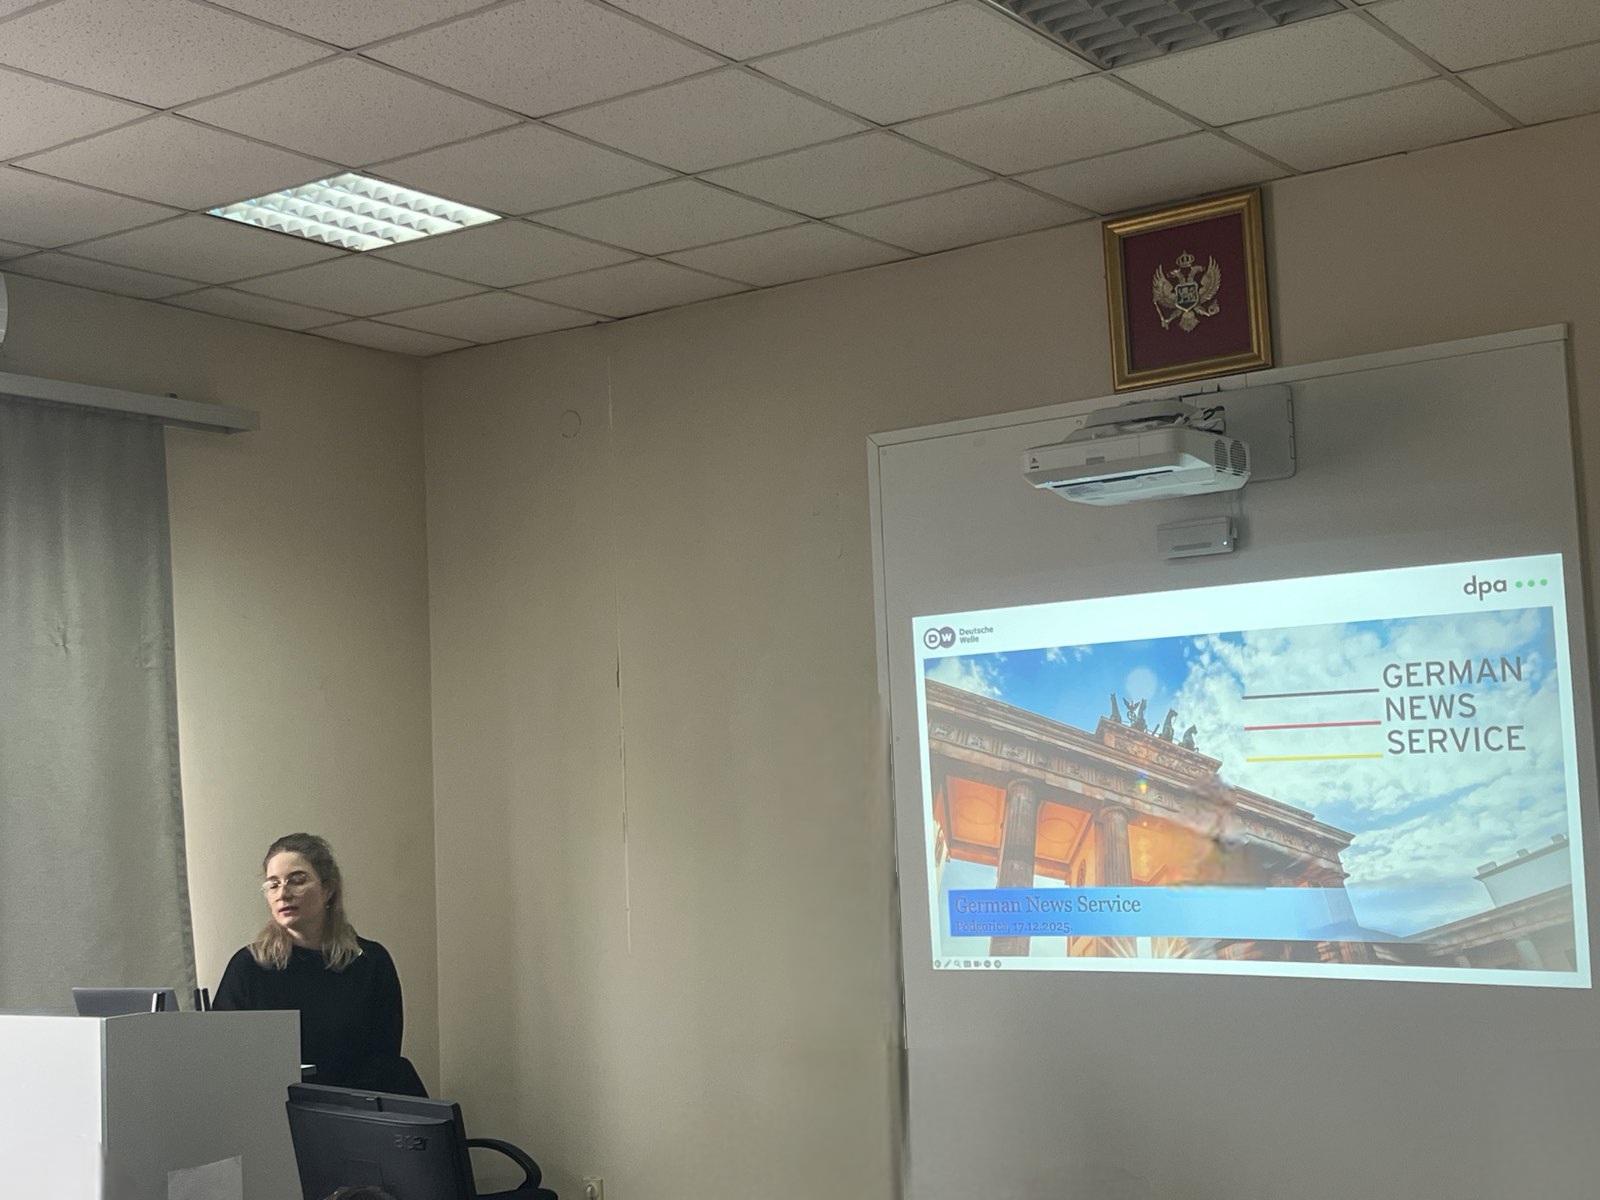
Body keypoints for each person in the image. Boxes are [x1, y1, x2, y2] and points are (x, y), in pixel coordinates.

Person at [215, 832, 425, 1096]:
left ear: (328, 889)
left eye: (297, 880)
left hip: (353, 1109)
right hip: (272, 1107)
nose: (283, 894)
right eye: (273, 884)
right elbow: (226, 1059)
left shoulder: (370, 962)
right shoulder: (248, 966)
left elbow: (383, 1061)